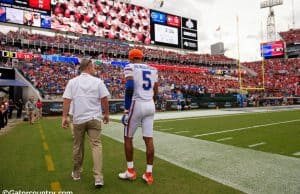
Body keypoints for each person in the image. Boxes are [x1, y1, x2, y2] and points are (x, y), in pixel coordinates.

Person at [62, 59, 110, 188]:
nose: (95, 69)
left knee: (78, 146)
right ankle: (98, 178)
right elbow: (104, 99)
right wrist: (106, 114)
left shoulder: (72, 82)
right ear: (88, 67)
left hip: (78, 118)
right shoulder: (98, 81)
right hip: (94, 118)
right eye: (93, 66)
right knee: (96, 146)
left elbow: (67, 100)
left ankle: (77, 172)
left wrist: (64, 117)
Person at [118, 49, 158, 185]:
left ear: (131, 58)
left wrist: (126, 109)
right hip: (150, 104)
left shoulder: (130, 67)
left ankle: (130, 171)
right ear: (141, 57)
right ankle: (148, 174)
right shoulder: (153, 69)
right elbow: (156, 89)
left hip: (137, 104)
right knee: (149, 139)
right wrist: (152, 101)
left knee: (128, 137)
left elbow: (129, 88)